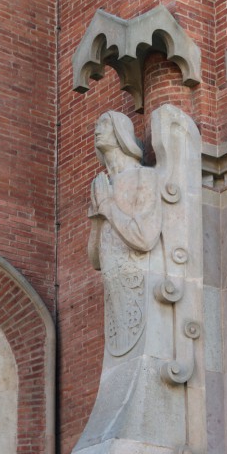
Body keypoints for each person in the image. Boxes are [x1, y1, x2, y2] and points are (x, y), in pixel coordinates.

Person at [88, 111, 162, 356]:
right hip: (113, 286)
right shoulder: (102, 184)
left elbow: (145, 237)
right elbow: (95, 259)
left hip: (139, 283)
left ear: (121, 131)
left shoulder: (145, 176)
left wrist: (108, 206)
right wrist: (98, 216)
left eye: (105, 123)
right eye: (97, 125)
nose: (97, 129)